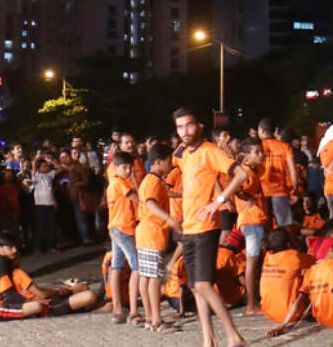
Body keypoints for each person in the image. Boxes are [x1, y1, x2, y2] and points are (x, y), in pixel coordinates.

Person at [174, 106, 249, 347]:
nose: (184, 130)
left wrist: (217, 203)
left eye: (189, 125)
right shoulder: (185, 155)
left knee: (203, 284)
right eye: (180, 126)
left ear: (199, 126)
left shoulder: (210, 151)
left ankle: (234, 336)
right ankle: (209, 340)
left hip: (206, 228)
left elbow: (240, 174)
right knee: (196, 288)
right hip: (189, 228)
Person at [263, 237, 333, 337]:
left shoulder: (311, 271)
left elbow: (298, 301)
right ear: (325, 253)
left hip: (322, 319)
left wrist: (282, 326)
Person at [0, 231, 97, 321]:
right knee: (37, 306)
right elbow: (10, 296)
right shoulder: (0, 266)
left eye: (16, 247)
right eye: (10, 248)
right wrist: (36, 299)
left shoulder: (1, 263)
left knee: (40, 304)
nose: (15, 250)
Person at [137, 143, 183, 332]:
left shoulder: (152, 180)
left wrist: (180, 194)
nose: (171, 164)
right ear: (157, 162)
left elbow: (160, 195)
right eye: (168, 160)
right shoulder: (153, 181)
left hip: (145, 233)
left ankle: (150, 318)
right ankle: (157, 320)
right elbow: (151, 203)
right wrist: (170, 219)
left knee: (146, 277)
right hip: (152, 233)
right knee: (154, 277)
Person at [106, 150, 142, 324]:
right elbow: (137, 199)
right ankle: (134, 309)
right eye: (125, 167)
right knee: (137, 265)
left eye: (130, 167)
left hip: (116, 227)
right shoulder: (120, 183)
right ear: (116, 168)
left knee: (117, 267)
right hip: (123, 228)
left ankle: (117, 308)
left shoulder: (114, 183)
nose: (128, 171)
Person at [233, 137, 268, 316]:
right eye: (257, 152)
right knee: (252, 263)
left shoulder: (251, 170)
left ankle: (253, 303)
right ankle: (251, 306)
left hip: (254, 219)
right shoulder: (245, 171)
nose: (261, 154)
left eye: (261, 151)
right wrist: (248, 199)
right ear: (247, 155)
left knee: (254, 263)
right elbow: (236, 189)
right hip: (250, 220)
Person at [259, 228, 315, 324]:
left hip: (268, 312)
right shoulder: (295, 257)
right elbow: (315, 260)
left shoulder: (267, 258)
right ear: (289, 244)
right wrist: (311, 246)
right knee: (312, 272)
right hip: (290, 314)